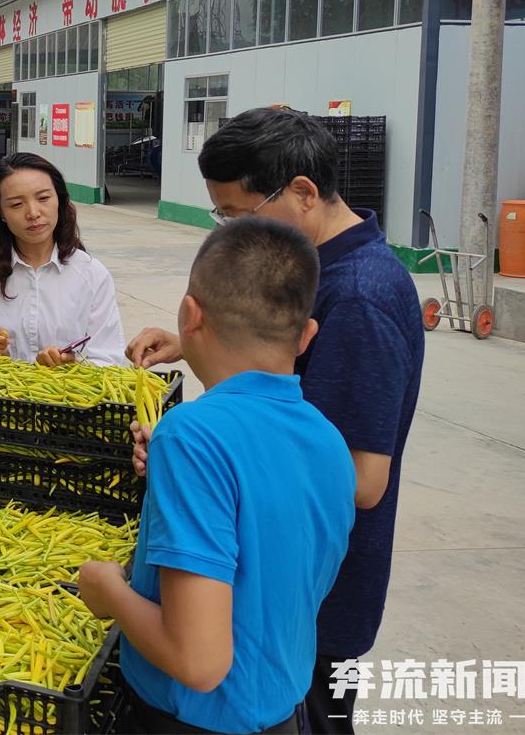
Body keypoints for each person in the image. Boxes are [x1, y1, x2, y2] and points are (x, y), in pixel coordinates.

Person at [125, 107, 424, 735]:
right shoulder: (323, 271)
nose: (231, 230)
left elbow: (364, 478)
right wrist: (200, 343)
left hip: (302, 602)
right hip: (279, 589)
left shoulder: (359, 298)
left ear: (303, 193)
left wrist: (207, 464)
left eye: (237, 214)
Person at [79, 217, 356, 735]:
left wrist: (109, 591)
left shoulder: (190, 435)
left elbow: (199, 662)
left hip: (191, 721)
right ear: (307, 335)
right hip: (282, 710)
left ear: (189, 317)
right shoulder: (330, 441)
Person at [0, 152, 126, 367]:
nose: (33, 213)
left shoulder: (91, 274)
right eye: (16, 204)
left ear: (60, 200)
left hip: (69, 399)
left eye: (43, 198)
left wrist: (70, 364)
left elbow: (109, 357)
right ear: (0, 213)